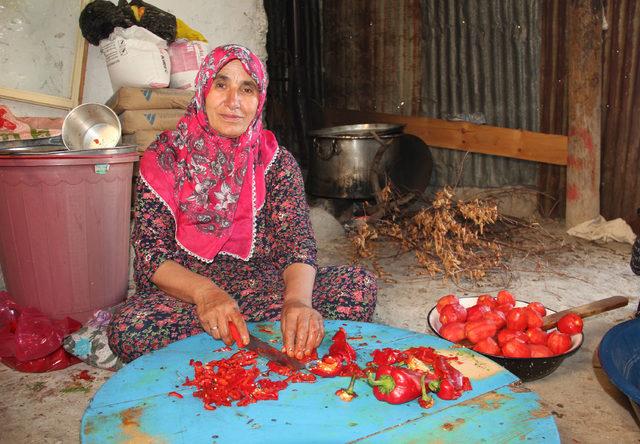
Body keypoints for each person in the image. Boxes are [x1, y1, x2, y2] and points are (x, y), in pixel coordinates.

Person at [107, 44, 377, 363]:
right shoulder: (166, 158)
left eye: (246, 88)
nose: (233, 101)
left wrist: (298, 303)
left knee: (359, 287)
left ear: (259, 98)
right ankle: (262, 337)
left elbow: (297, 245)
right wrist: (205, 294)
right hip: (189, 296)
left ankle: (241, 339)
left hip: (265, 287)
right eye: (221, 84)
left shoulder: (275, 161)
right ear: (204, 89)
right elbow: (152, 254)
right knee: (129, 329)